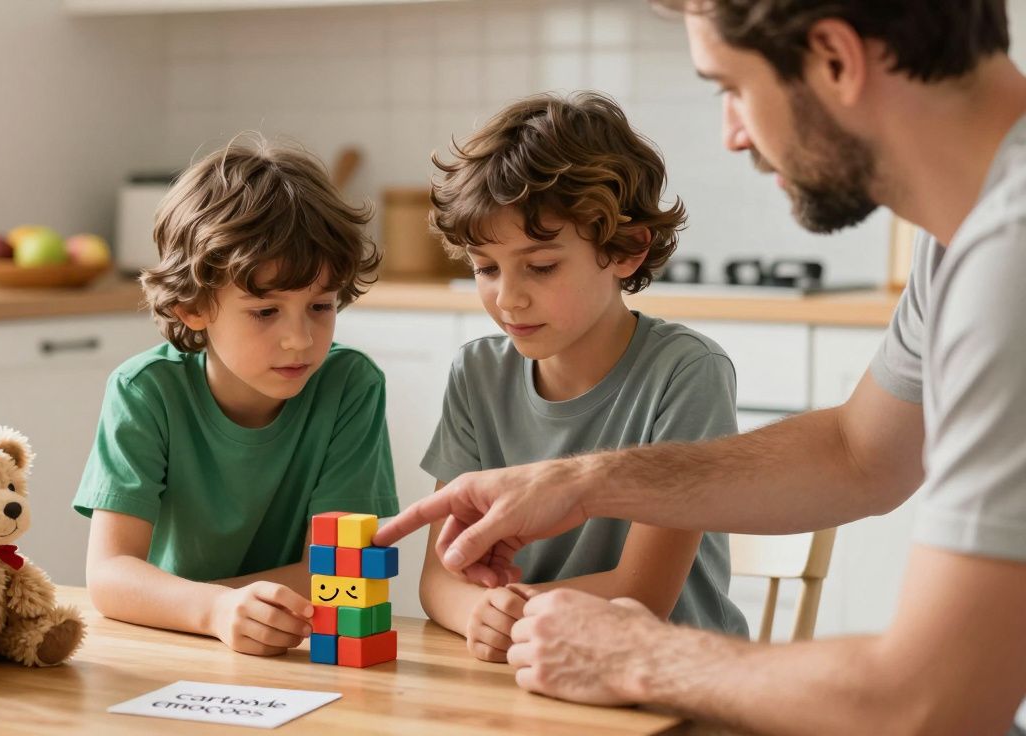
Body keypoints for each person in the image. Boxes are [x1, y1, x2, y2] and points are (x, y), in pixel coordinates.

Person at [376, 2, 1026, 733]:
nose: (732, 134)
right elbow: (858, 453)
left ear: (837, 60)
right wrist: (586, 481)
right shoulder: (966, 237)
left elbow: (932, 701)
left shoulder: (1012, 253)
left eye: (732, 87)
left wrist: (640, 657)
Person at [417, 92, 747, 665]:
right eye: (486, 268)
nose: (508, 297)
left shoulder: (686, 373)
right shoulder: (477, 372)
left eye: (541, 266)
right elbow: (438, 580)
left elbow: (643, 594)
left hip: (674, 680)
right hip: (534, 666)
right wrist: (479, 615)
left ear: (627, 249)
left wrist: (507, 612)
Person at [74, 135, 398, 657]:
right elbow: (110, 575)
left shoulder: (351, 387)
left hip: (294, 648)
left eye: (320, 306)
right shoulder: (144, 392)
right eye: (265, 312)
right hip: (172, 644)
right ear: (193, 308)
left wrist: (201, 604)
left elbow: (343, 572)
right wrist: (215, 611)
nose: (301, 339)